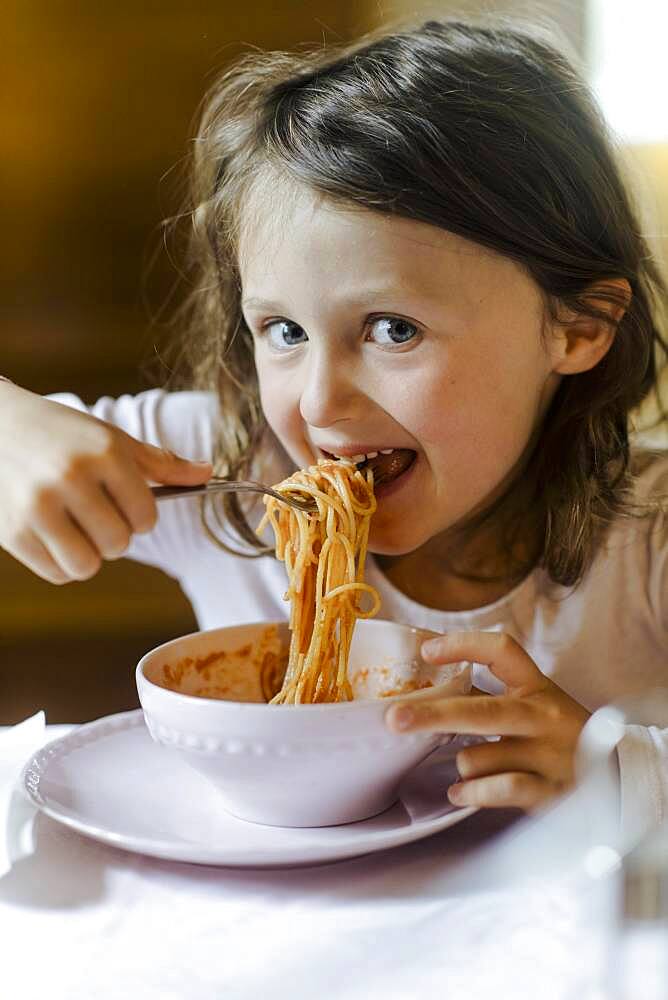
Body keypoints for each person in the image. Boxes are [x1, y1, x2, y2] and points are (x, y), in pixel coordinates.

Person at [1, 17, 666, 839]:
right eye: (284, 331)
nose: (319, 405)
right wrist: (12, 433)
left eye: (393, 330)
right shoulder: (218, 465)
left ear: (578, 327)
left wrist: (620, 767)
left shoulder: (649, 536)